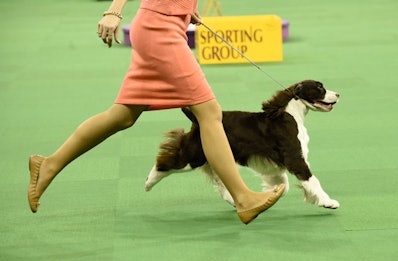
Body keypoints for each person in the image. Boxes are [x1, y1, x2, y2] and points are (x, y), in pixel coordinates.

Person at [28, 0, 285, 224]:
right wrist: (114, 11)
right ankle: (243, 198)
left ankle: (48, 164)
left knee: (123, 116)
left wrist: (186, 9)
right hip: (159, 30)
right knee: (209, 112)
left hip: (165, 25)